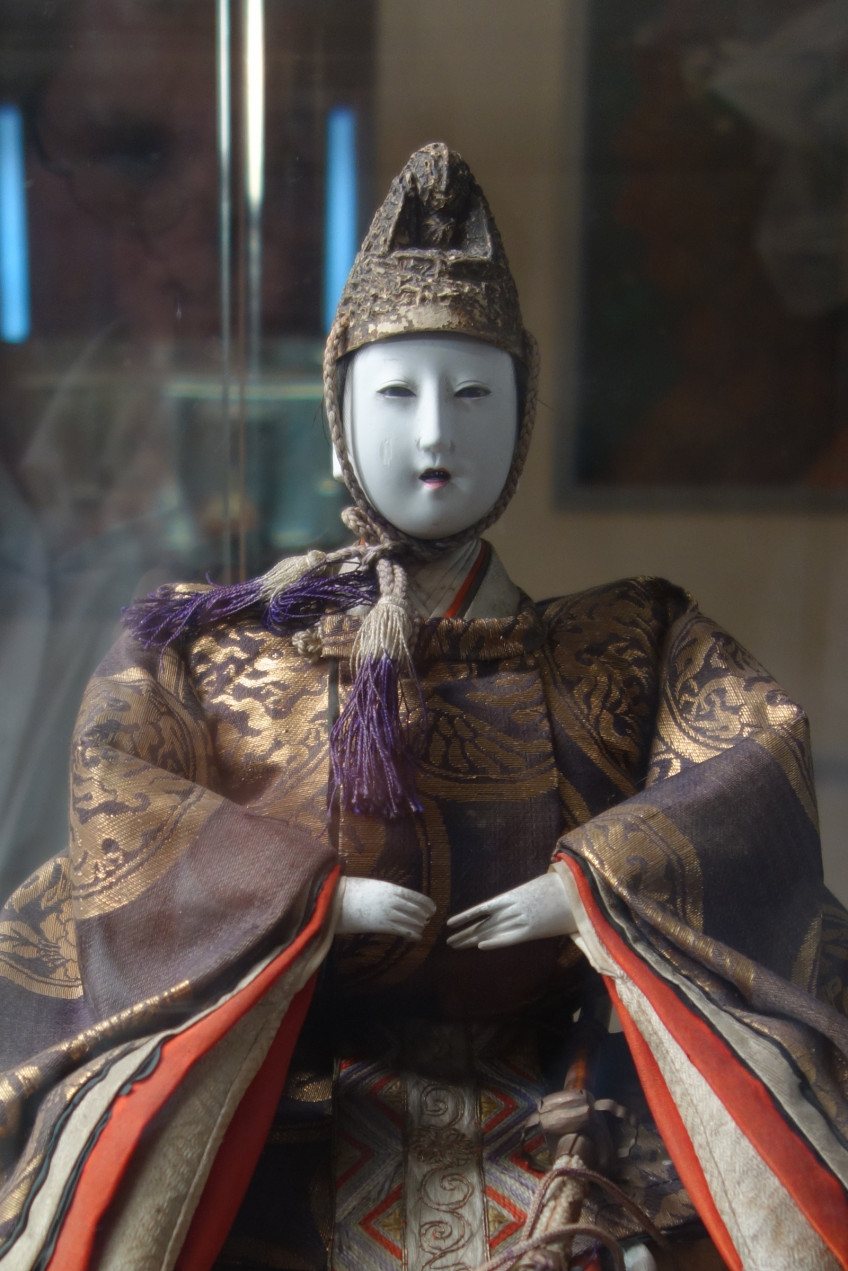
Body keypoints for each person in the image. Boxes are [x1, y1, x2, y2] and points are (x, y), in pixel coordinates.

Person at [1, 142, 847, 1271]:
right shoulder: (214, 649)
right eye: (396, 394)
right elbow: (122, 792)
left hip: (562, 1096)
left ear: (524, 411)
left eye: (474, 393)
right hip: (295, 1090)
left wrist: (592, 885)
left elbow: (757, 759)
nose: (437, 433)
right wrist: (308, 901)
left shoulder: (635, 641)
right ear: (340, 414)